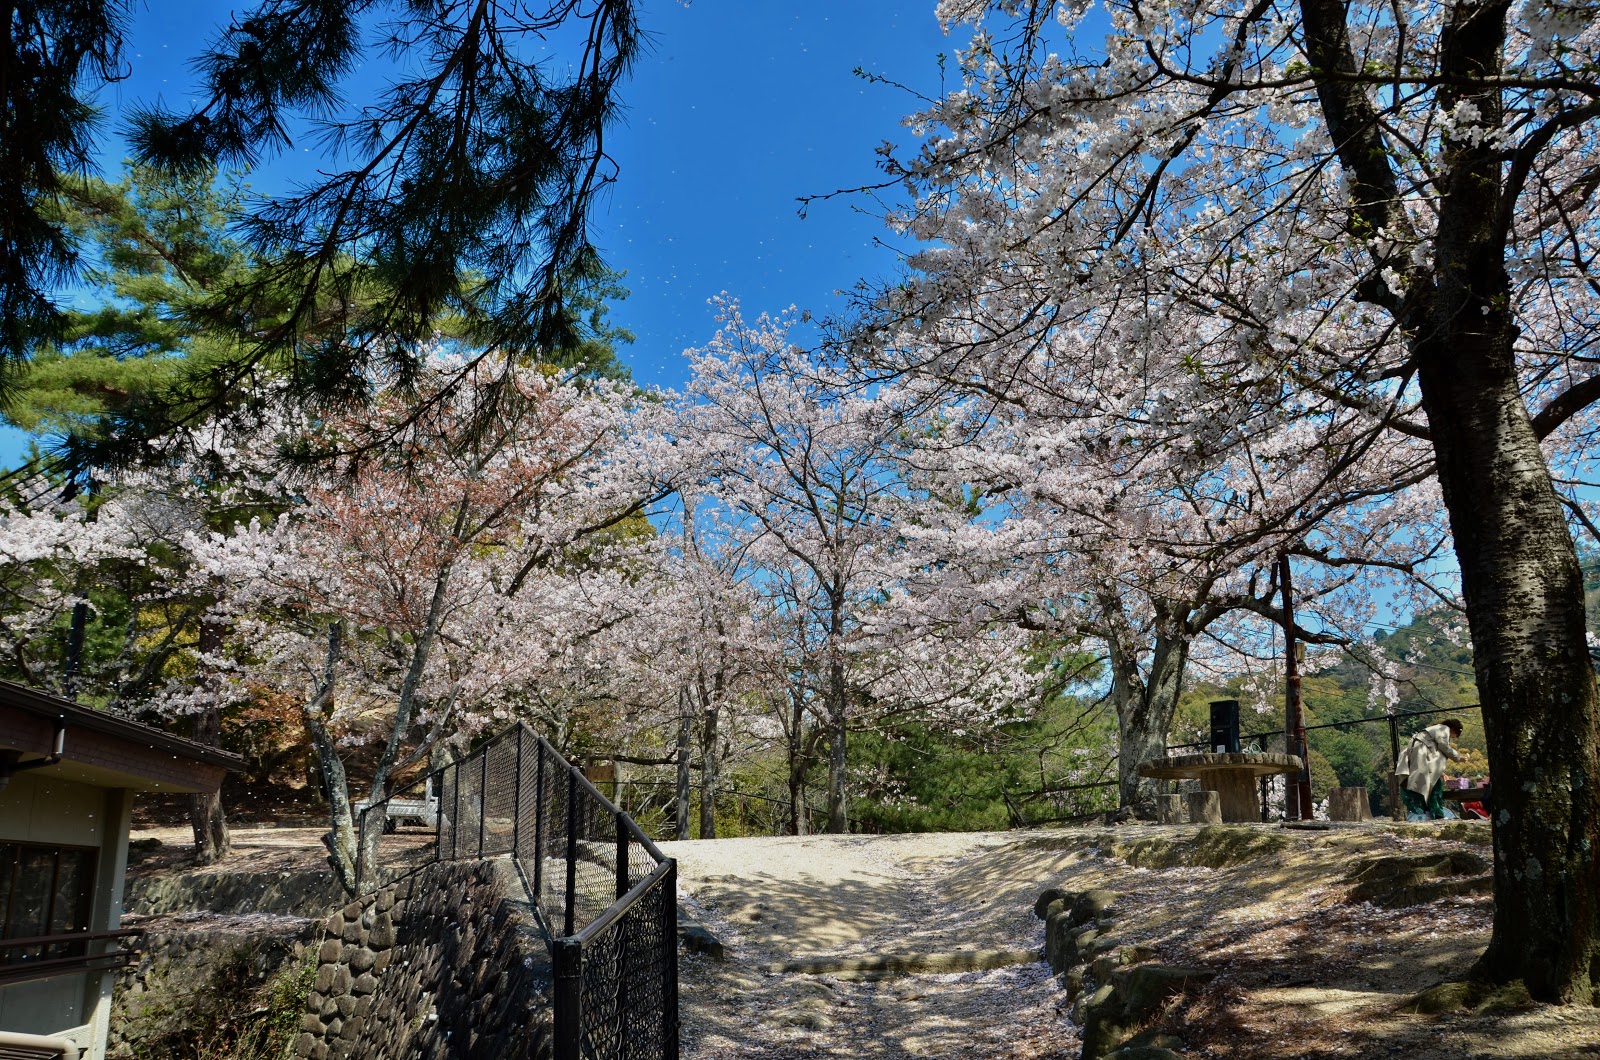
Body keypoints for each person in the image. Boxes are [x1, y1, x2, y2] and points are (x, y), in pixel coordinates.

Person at [1394, 717, 1464, 820]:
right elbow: (1443, 745)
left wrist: (1441, 772)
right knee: (1434, 785)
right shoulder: (1443, 728)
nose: (1452, 737)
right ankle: (1436, 813)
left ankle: (1425, 811)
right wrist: (1457, 757)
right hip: (1420, 754)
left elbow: (1433, 758)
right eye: (1455, 735)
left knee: (1418, 784)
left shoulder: (1430, 732)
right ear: (1454, 729)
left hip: (1415, 754)